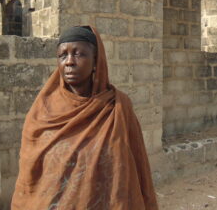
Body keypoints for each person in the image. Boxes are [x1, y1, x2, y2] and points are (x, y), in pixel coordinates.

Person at [11, 26, 159, 210]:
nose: (69, 62)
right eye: (63, 55)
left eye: (79, 54)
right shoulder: (43, 111)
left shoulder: (117, 107)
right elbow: (30, 178)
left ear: (96, 61)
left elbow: (138, 165)